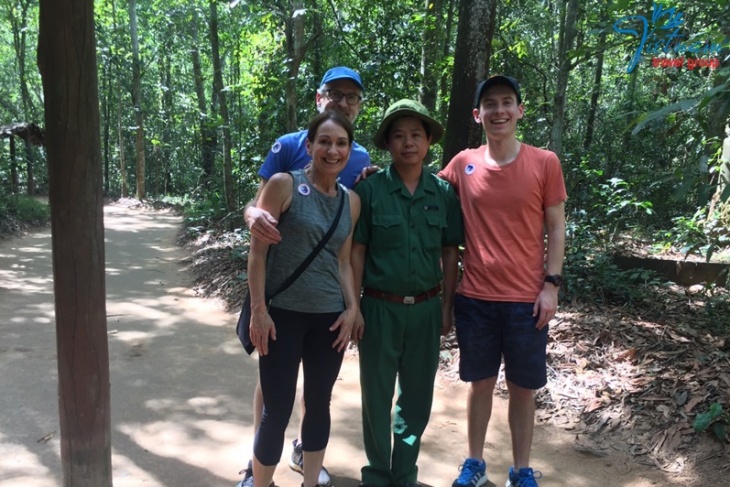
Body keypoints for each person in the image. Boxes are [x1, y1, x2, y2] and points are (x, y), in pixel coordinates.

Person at [237, 66, 370, 487]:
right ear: (310, 144)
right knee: (275, 405)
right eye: (324, 143)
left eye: (341, 144)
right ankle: (258, 477)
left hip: (328, 316)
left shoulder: (354, 192)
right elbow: (257, 237)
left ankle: (308, 477)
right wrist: (259, 309)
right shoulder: (284, 173)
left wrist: (353, 308)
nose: (333, 151)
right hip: (283, 308)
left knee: (319, 402)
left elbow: (343, 259)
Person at [438, 75, 567, 487]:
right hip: (474, 297)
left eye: (507, 102)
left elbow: (557, 226)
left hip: (526, 299)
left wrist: (552, 285)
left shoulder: (544, 162)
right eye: (490, 104)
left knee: (523, 389)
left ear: (520, 110)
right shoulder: (463, 163)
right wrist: (379, 176)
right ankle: (474, 463)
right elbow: (423, 190)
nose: (499, 110)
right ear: (477, 115)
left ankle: (521, 470)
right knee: (480, 385)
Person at [351, 99, 464, 487]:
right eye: (398, 136)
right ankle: (378, 473)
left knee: (416, 401)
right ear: (388, 143)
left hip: (427, 309)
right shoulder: (369, 191)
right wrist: (354, 308)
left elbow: (450, 251)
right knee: (377, 398)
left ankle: (404, 474)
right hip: (380, 308)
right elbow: (357, 251)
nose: (408, 143)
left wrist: (447, 306)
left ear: (429, 140)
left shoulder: (444, 193)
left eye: (416, 134)